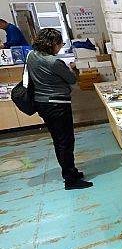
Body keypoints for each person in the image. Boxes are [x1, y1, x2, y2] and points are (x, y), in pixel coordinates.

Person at [27, 28, 93, 190]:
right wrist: (71, 67)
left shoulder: (32, 56)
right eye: (60, 43)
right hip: (57, 103)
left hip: (42, 103)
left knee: (58, 140)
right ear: (51, 44)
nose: (61, 46)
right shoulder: (54, 62)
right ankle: (70, 179)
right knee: (66, 141)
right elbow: (71, 79)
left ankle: (70, 171)